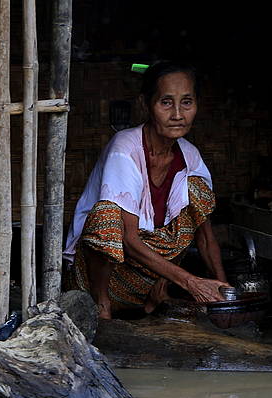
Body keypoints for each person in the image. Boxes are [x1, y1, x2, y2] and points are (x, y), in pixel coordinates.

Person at [63, 61, 230, 319]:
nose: (177, 114)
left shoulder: (190, 157)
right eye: (166, 102)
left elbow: (206, 238)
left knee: (196, 192)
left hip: (152, 274)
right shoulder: (125, 147)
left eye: (186, 102)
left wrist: (224, 294)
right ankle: (102, 304)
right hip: (112, 273)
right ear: (145, 105)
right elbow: (129, 241)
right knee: (106, 215)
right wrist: (191, 283)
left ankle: (158, 293)